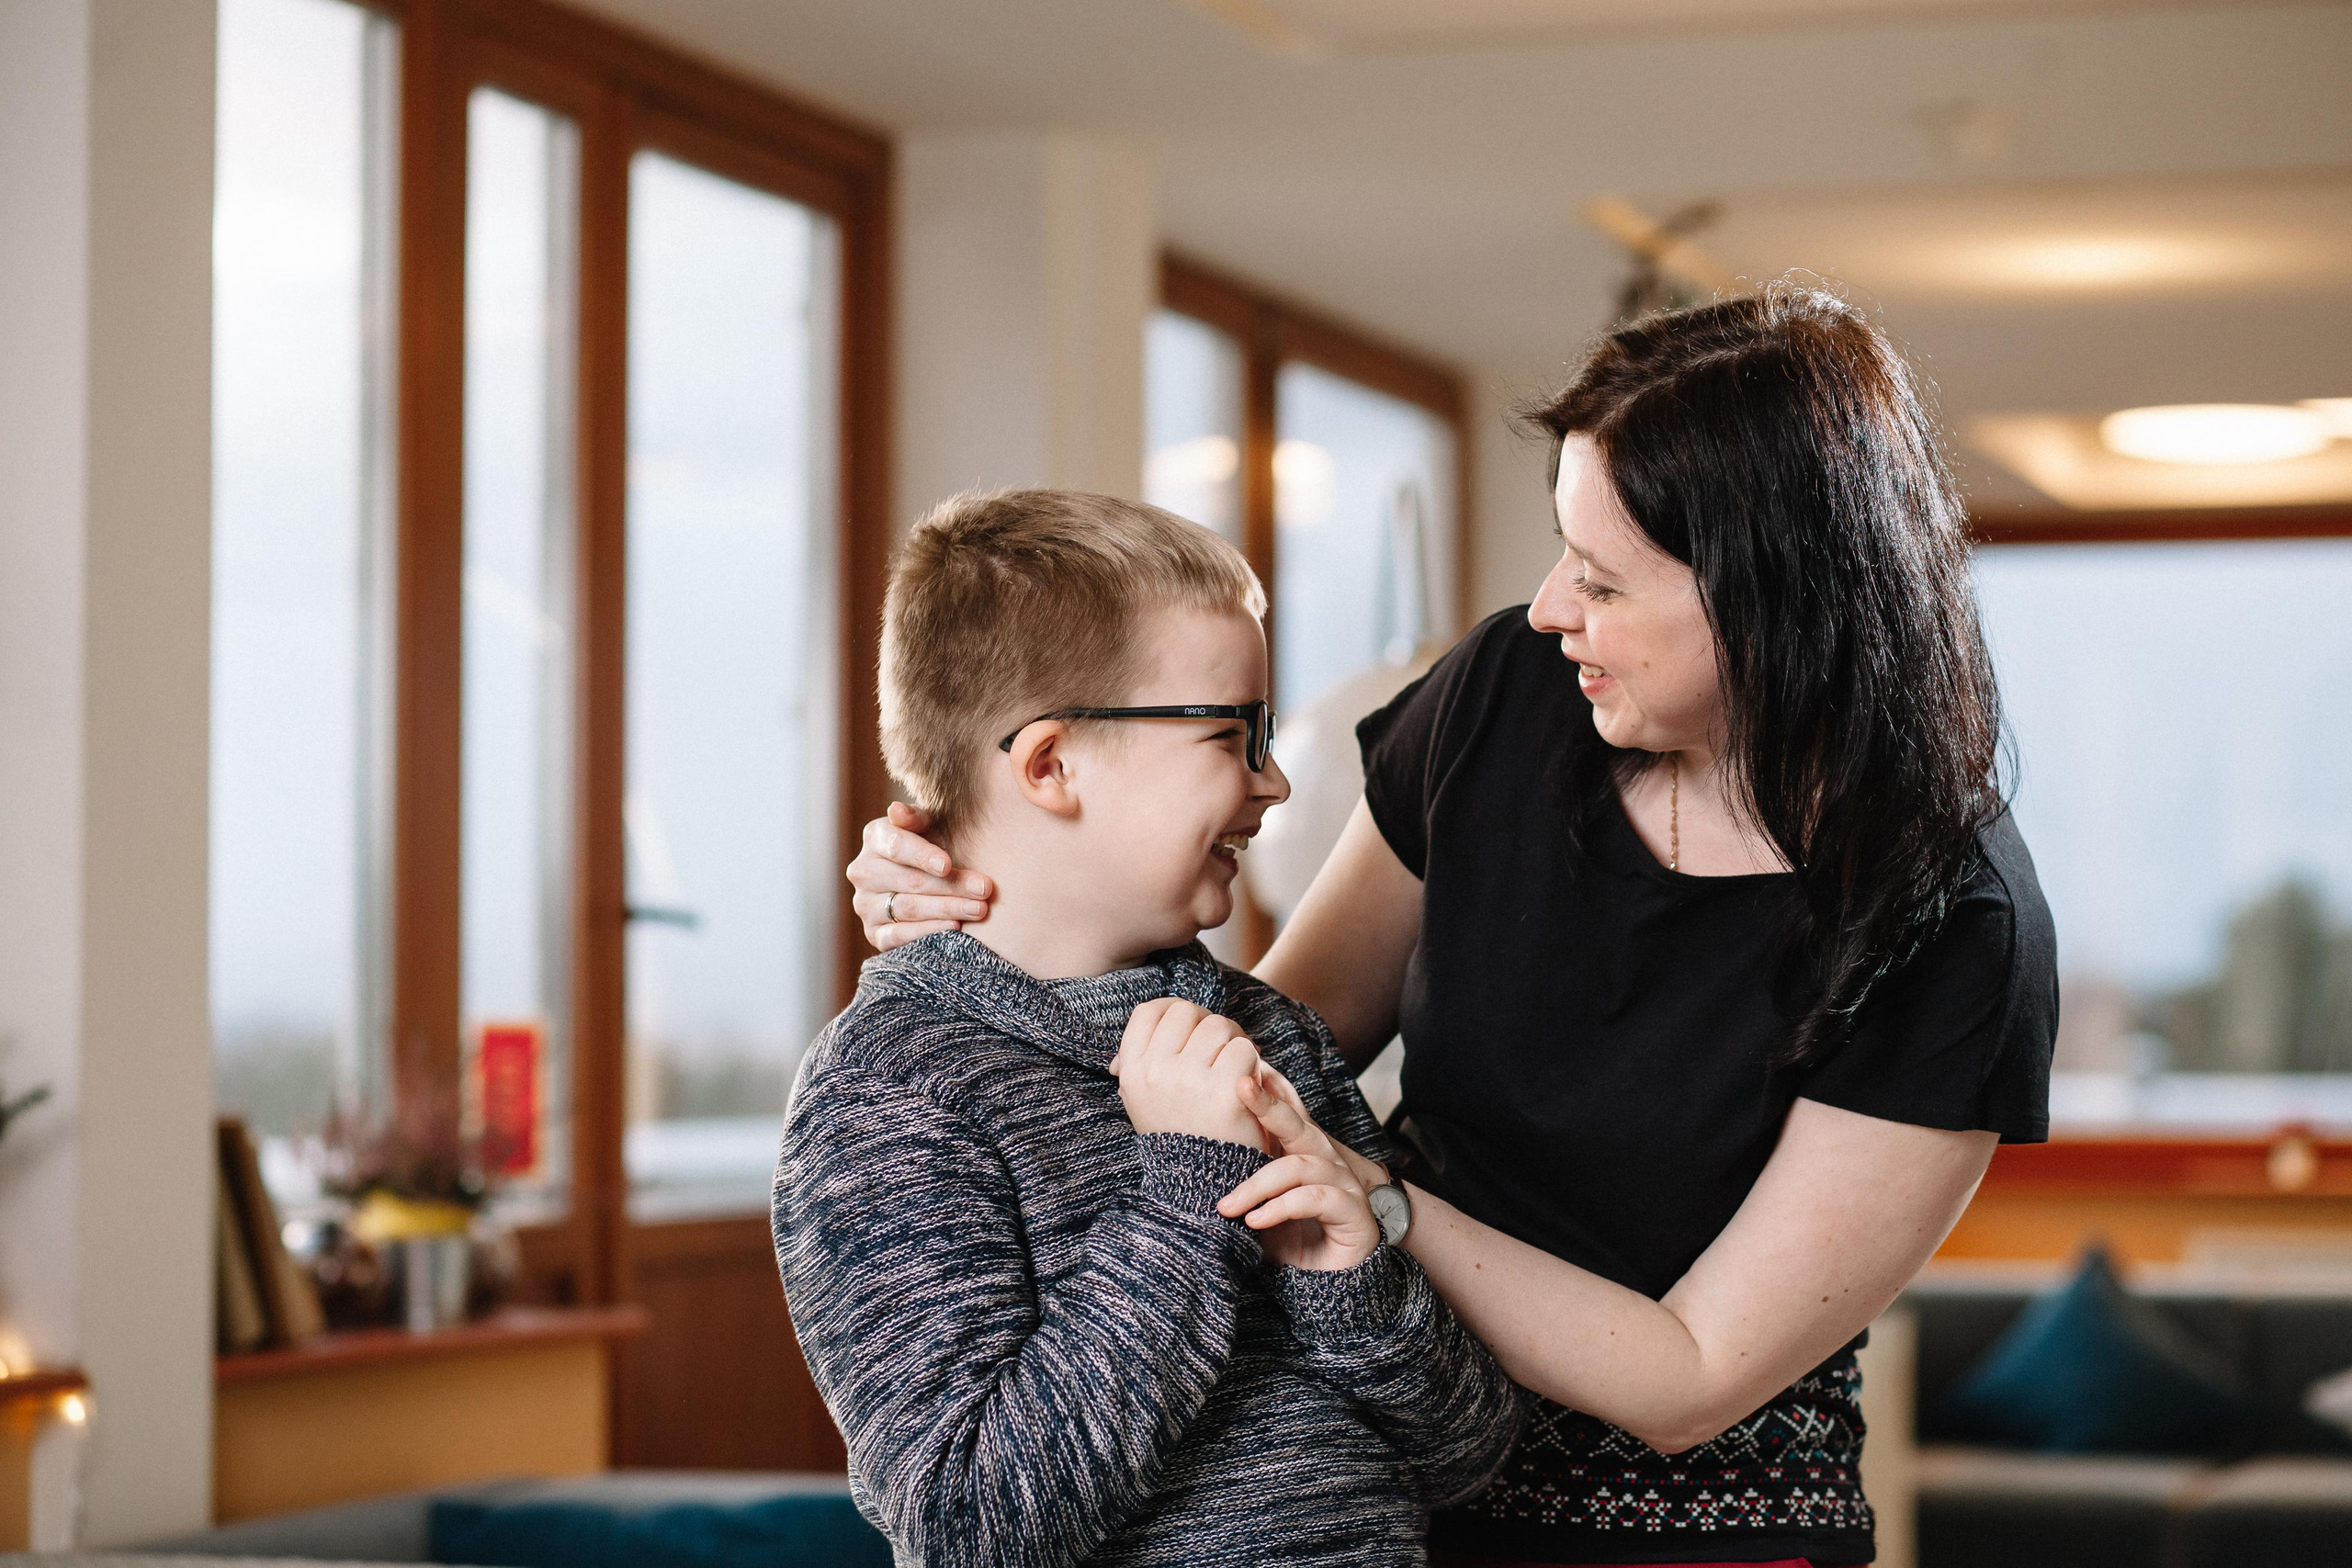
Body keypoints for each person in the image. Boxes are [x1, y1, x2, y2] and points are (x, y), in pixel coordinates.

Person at [845, 284, 2060, 1567]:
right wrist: (991, 885)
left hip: (1689, 1533)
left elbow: (1692, 1370)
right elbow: (1259, 1040)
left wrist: (1378, 1204)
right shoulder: (1509, 697)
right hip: (1389, 1485)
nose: (1549, 608)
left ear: (1771, 600)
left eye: (1601, 577)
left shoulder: (1956, 923)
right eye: (1559, 549)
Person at [774, 489, 1524, 1568]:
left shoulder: (1279, 1037)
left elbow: (1469, 1452)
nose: (1271, 782)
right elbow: (969, 1528)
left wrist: (1353, 1280)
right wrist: (1184, 1191)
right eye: (1231, 733)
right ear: (1049, 766)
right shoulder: (891, 1094)